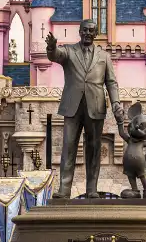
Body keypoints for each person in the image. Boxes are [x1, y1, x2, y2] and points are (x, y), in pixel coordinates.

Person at [45, 19, 125, 199]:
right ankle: (64, 189)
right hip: (72, 105)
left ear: (96, 34)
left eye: (91, 30)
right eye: (85, 30)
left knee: (94, 147)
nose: (88, 33)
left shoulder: (104, 56)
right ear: (79, 32)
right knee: (68, 146)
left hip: (95, 106)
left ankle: (91, 189)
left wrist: (116, 103)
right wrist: (51, 48)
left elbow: (111, 82)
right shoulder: (69, 51)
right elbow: (56, 56)